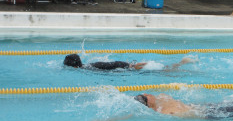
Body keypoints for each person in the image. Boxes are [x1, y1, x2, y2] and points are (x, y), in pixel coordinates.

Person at [63, 53, 196, 71]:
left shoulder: (87, 69)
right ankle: (181, 63)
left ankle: (181, 63)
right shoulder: (87, 66)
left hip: (121, 65)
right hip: (119, 64)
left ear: (74, 67)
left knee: (163, 70)